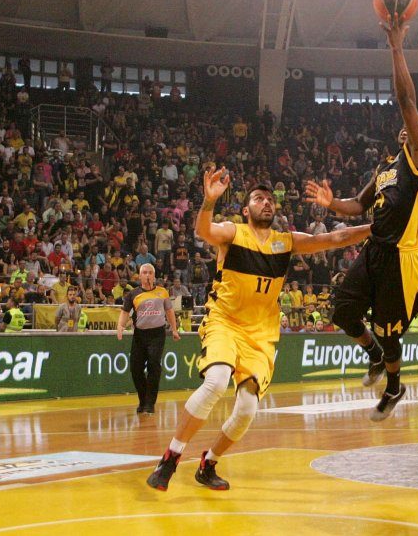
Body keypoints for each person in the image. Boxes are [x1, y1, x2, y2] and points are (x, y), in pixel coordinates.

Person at [146, 168, 371, 491]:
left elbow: (334, 239)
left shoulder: (285, 241)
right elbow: (204, 230)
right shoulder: (233, 233)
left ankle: (208, 464)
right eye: (258, 199)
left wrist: (377, 227)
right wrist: (209, 201)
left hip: (260, 334)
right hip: (225, 321)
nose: (266, 203)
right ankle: (171, 458)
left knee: (247, 409)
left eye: (269, 199)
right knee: (216, 382)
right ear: (245, 209)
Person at [304, 11, 418, 421]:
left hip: (402, 259)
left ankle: (394, 386)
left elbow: (407, 102)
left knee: (389, 330)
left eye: (417, 128)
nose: (410, 127)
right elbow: (358, 205)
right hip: (376, 250)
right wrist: (331, 204)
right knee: (343, 311)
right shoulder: (386, 168)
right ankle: (375, 356)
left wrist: (396, 48)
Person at [117, 264, 180, 414]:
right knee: (135, 368)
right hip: (140, 335)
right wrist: (120, 326)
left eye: (150, 273)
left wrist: (174, 329)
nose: (147, 275)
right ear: (139, 276)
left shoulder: (162, 292)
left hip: (157, 334)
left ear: (154, 276)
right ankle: (143, 399)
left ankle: (150, 403)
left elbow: (169, 311)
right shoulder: (133, 294)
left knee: (154, 365)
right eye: (144, 273)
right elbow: (125, 312)